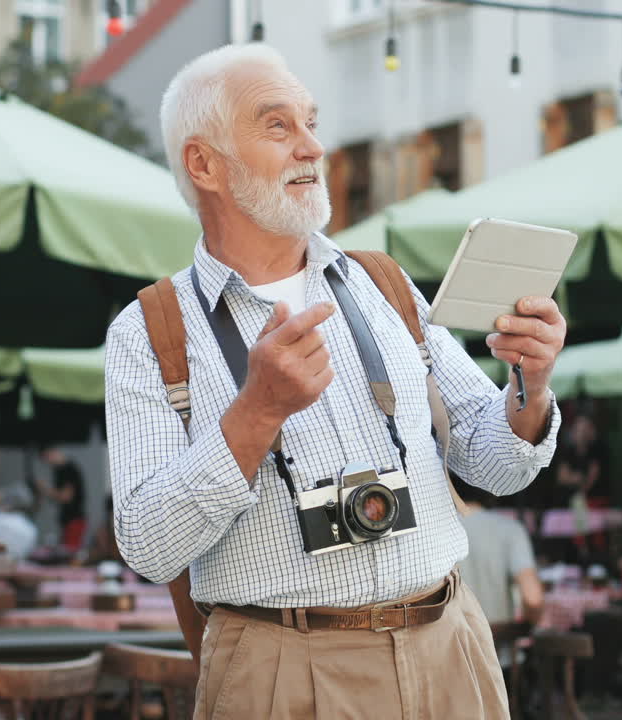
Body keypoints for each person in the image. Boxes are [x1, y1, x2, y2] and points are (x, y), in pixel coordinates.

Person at [105, 44, 565, 719]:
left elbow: (494, 464)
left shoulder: (384, 283)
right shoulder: (150, 331)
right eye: (278, 126)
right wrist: (256, 413)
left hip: (448, 646)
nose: (313, 147)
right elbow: (148, 545)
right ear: (204, 164)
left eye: (312, 122)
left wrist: (531, 386)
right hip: (280, 670)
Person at [454, 477, 544, 626]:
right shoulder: (509, 529)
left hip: (451, 637)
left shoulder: (436, 532)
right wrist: (526, 628)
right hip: (499, 638)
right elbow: (532, 598)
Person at [36, 447, 86, 551]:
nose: (48, 463)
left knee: (69, 552)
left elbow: (66, 497)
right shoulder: (59, 470)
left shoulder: (68, 469)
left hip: (74, 519)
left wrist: (46, 489)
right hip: (68, 519)